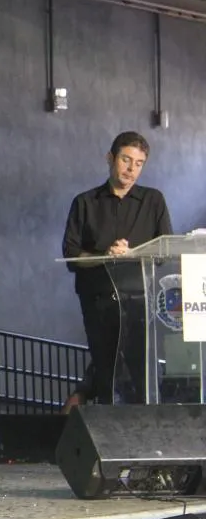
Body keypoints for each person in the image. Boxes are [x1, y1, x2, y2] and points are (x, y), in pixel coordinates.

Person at [61, 131, 173, 410]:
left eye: (139, 163)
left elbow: (165, 252)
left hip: (141, 303)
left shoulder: (153, 201)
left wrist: (133, 254)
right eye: (126, 160)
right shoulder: (85, 202)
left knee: (141, 372)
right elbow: (71, 255)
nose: (131, 169)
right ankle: (107, 423)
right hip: (98, 302)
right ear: (110, 158)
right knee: (107, 369)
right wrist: (105, 256)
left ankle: (145, 428)